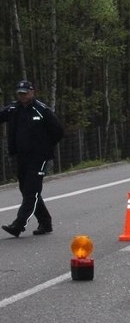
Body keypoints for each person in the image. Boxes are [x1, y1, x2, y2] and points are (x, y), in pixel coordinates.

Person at [0, 80, 64, 237]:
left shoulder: (42, 110)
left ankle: (18, 225)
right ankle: (45, 222)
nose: (23, 96)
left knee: (31, 191)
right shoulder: (14, 108)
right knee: (28, 190)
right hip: (22, 156)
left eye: (25, 93)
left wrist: (44, 147)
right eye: (20, 94)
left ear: (32, 92)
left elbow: (58, 131)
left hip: (39, 157)